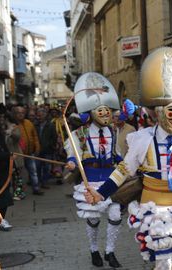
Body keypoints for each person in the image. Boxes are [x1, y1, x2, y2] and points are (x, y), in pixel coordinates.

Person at [86, 47, 172, 270]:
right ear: (159, 112)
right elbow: (124, 170)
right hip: (155, 207)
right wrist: (100, 193)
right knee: (161, 261)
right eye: (171, 113)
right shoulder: (142, 139)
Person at [64, 72, 123, 268]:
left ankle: (110, 252)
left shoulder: (113, 132)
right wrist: (72, 162)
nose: (106, 114)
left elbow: (117, 155)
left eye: (107, 111)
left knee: (115, 215)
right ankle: (93, 250)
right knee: (94, 218)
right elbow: (72, 154)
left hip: (110, 180)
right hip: (89, 180)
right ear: (91, 113)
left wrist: (129, 163)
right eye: (101, 111)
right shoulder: (79, 134)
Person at [12, 105, 43, 195]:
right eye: (18, 113)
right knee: (19, 174)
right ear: (15, 114)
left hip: (30, 153)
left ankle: (36, 188)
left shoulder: (29, 123)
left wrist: (37, 147)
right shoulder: (13, 125)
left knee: (33, 172)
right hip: (19, 155)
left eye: (22, 113)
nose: (21, 115)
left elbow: (35, 136)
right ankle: (18, 191)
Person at [0, 104, 14, 231]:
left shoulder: (0, 132)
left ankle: (0, 220)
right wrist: (7, 155)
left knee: (3, 196)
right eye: (0, 117)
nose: (2, 119)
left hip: (3, 170)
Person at [35, 107, 57, 189]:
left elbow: (54, 137)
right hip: (38, 150)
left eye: (40, 115)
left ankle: (44, 182)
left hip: (47, 150)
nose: (39, 117)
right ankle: (39, 181)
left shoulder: (50, 125)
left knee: (46, 167)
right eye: (38, 115)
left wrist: (51, 145)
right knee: (37, 167)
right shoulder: (35, 125)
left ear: (45, 115)